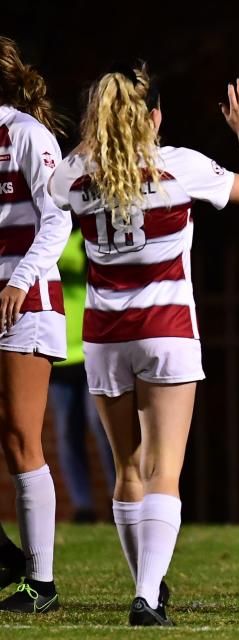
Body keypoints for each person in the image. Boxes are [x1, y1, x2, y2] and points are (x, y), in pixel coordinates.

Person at [48, 64, 239, 626]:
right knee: (163, 469)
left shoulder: (77, 172)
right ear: (155, 117)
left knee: (127, 469)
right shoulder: (181, 164)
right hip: (166, 331)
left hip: (102, 336)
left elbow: (56, 186)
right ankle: (146, 596)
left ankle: (149, 586)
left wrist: (98, 133)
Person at [0, 35, 70, 614]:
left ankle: (40, 583)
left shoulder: (23, 132)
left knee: (22, 436)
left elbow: (58, 219)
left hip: (26, 299)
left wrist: (19, 280)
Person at [49, 228, 116, 524]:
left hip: (93, 347)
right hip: (60, 351)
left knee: (100, 427)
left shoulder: (91, 233)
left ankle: (120, 497)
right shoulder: (49, 234)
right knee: (66, 433)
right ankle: (82, 505)